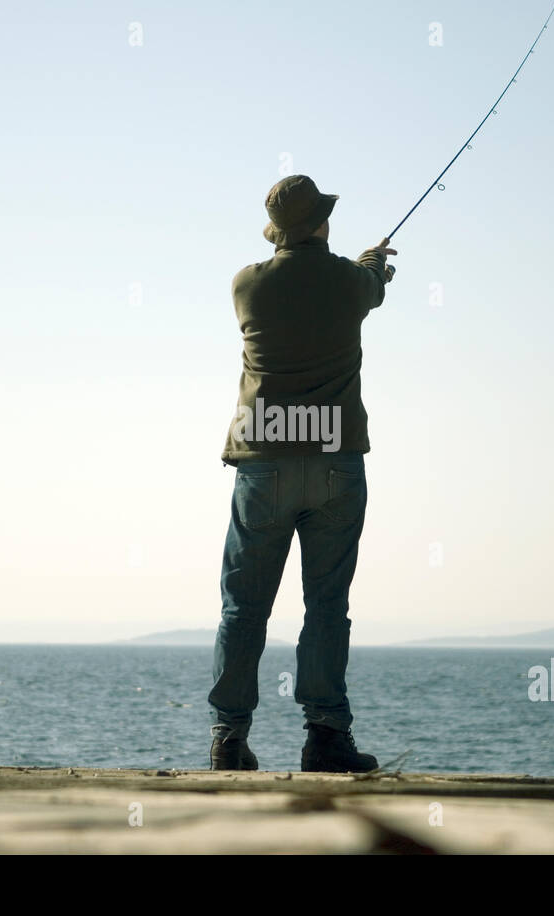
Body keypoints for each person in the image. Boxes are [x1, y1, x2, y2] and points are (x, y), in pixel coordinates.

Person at [208, 174, 396, 772]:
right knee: (326, 605)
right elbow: (370, 286)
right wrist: (372, 264)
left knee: (243, 607)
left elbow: (320, 274)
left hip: (264, 462)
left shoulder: (247, 285)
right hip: (335, 461)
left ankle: (229, 740)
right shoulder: (349, 280)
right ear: (320, 223)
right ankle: (325, 737)